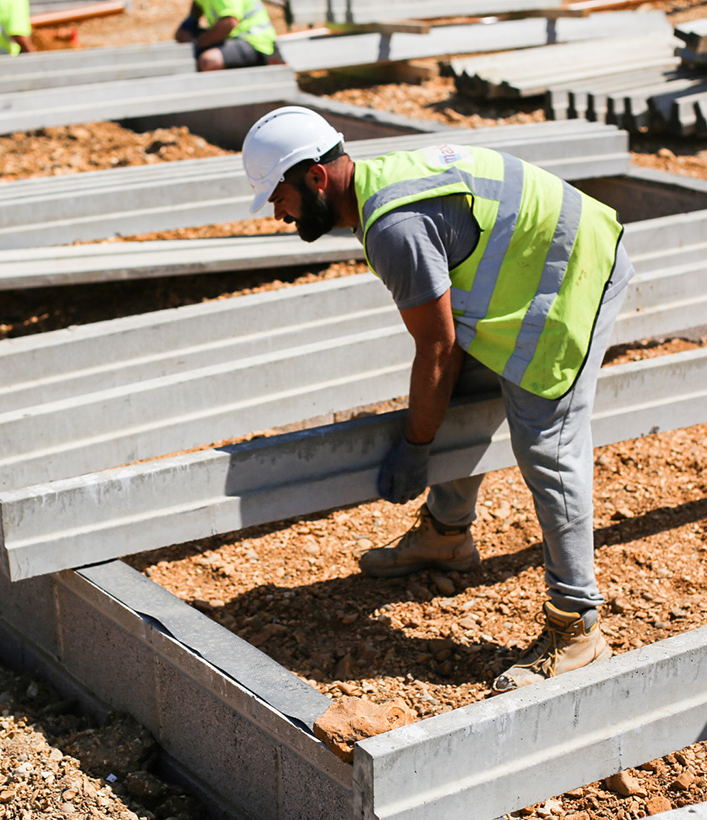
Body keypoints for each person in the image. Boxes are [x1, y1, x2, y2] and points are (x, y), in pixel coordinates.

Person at [241, 106, 635, 693]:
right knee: (464, 397)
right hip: (532, 264)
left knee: (547, 447)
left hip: (573, 270)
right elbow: (446, 350)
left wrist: (415, 446)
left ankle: (576, 627)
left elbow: (436, 348)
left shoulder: (392, 227)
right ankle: (447, 536)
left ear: (315, 179)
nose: (278, 212)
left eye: (279, 196)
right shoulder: (378, 189)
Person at [174, 0, 281, 72]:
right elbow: (196, 9)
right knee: (185, 38)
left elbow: (229, 23)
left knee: (209, 60)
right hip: (229, 39)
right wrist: (189, 24)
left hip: (254, 42)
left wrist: (198, 44)